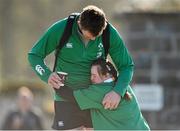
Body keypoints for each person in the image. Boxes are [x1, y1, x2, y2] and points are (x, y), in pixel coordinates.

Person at [28, 5, 134, 130]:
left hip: (96, 98)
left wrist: (117, 92)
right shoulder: (61, 29)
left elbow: (126, 66)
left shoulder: (109, 33)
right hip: (65, 95)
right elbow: (34, 55)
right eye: (89, 36)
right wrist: (47, 75)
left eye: (97, 35)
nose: (94, 38)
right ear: (79, 23)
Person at [73, 58, 150, 130]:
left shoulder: (100, 90)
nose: (91, 78)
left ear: (107, 75)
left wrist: (61, 83)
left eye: (94, 75)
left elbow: (71, 96)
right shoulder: (124, 86)